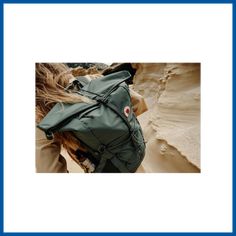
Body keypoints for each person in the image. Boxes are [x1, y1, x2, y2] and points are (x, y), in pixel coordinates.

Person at [36, 63, 147, 173]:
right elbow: (139, 101)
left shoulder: (44, 118)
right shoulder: (93, 80)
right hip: (135, 153)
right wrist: (116, 126)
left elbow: (49, 170)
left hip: (108, 167)